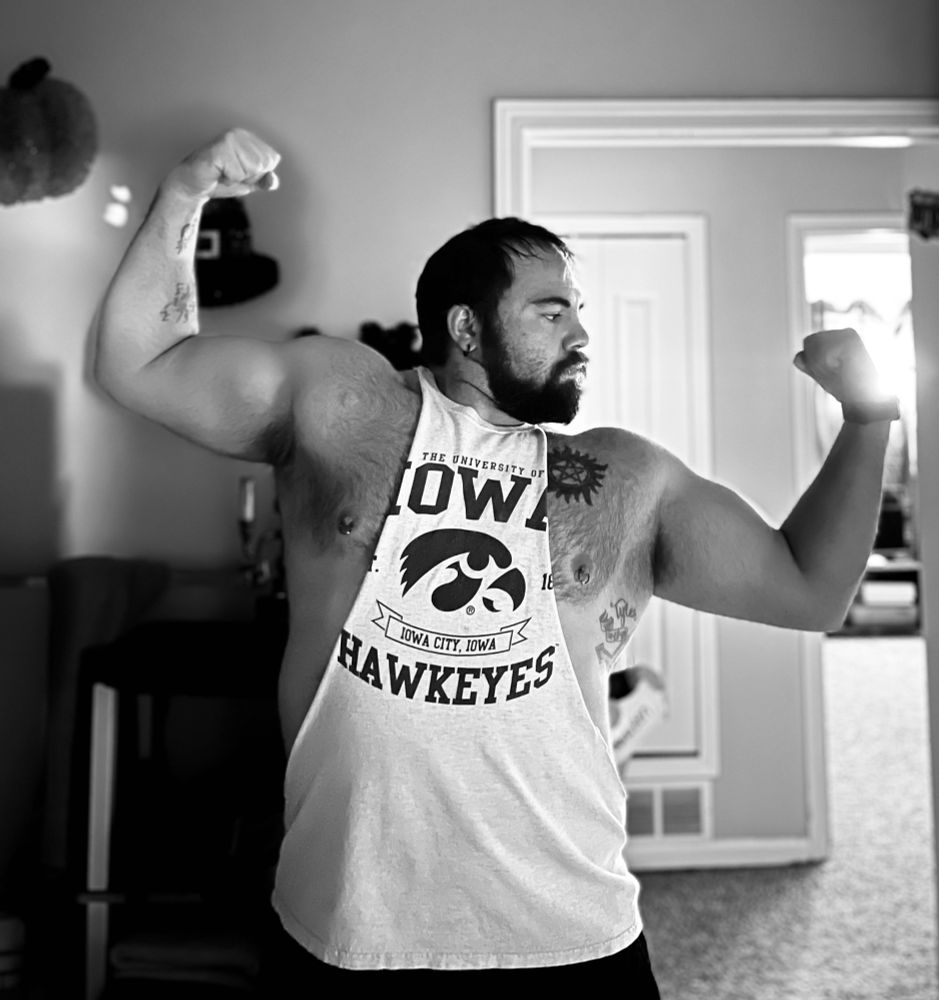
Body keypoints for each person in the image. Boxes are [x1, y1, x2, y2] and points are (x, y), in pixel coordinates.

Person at [93, 128, 897, 992]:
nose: (581, 333)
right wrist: (184, 194)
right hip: (347, 926)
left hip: (567, 933)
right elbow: (140, 364)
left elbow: (811, 590)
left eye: (579, 312)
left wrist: (866, 418)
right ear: (466, 328)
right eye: (552, 311)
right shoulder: (338, 400)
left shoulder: (625, 475)